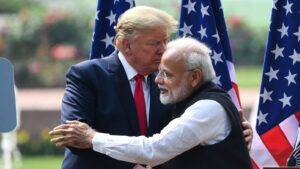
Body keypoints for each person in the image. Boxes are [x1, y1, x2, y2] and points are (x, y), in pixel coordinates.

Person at [50, 37, 253, 169]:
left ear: (194, 77)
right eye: (159, 71)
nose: (157, 80)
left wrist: (92, 137)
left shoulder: (207, 109)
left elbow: (153, 149)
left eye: (167, 74)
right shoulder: (187, 99)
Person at [58, 6, 177, 169]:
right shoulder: (87, 76)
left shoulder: (167, 80)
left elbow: (175, 139)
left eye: (165, 41)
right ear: (127, 46)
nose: (163, 50)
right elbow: (73, 137)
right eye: (154, 43)